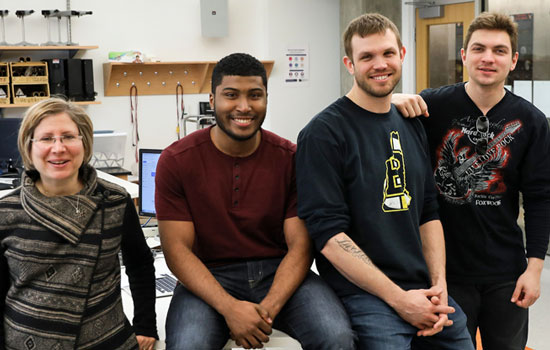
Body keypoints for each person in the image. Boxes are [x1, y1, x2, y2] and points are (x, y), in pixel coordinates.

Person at [296, 13, 475, 350]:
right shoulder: (323, 134)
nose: (380, 64)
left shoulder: (410, 123)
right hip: (366, 296)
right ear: (350, 64)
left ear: (402, 54)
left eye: (388, 53)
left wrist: (439, 285)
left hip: (425, 289)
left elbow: (427, 211)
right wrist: (399, 300)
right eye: (367, 57)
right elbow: (330, 237)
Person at [155, 53, 355, 350]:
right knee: (188, 345)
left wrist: (268, 309)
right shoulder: (176, 161)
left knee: (337, 337)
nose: (244, 107)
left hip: (280, 273)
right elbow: (177, 251)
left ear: (266, 98)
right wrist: (230, 308)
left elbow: (300, 247)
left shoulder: (291, 158)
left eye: (255, 95)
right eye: (231, 95)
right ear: (212, 100)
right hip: (209, 276)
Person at [392, 12, 550, 349]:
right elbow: (369, 117)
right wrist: (391, 100)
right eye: (478, 48)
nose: (488, 58)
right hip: (441, 271)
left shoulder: (532, 121)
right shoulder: (431, 106)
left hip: (505, 273)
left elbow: (539, 198)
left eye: (499, 50)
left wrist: (534, 269)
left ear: (514, 60)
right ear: (464, 56)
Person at [0, 98, 158, 350]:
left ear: (84, 142)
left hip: (106, 341)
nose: (58, 148)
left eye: (68, 136)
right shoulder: (6, 212)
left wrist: (146, 325)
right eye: (46, 138)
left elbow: (139, 264)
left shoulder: (115, 201)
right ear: (28, 147)